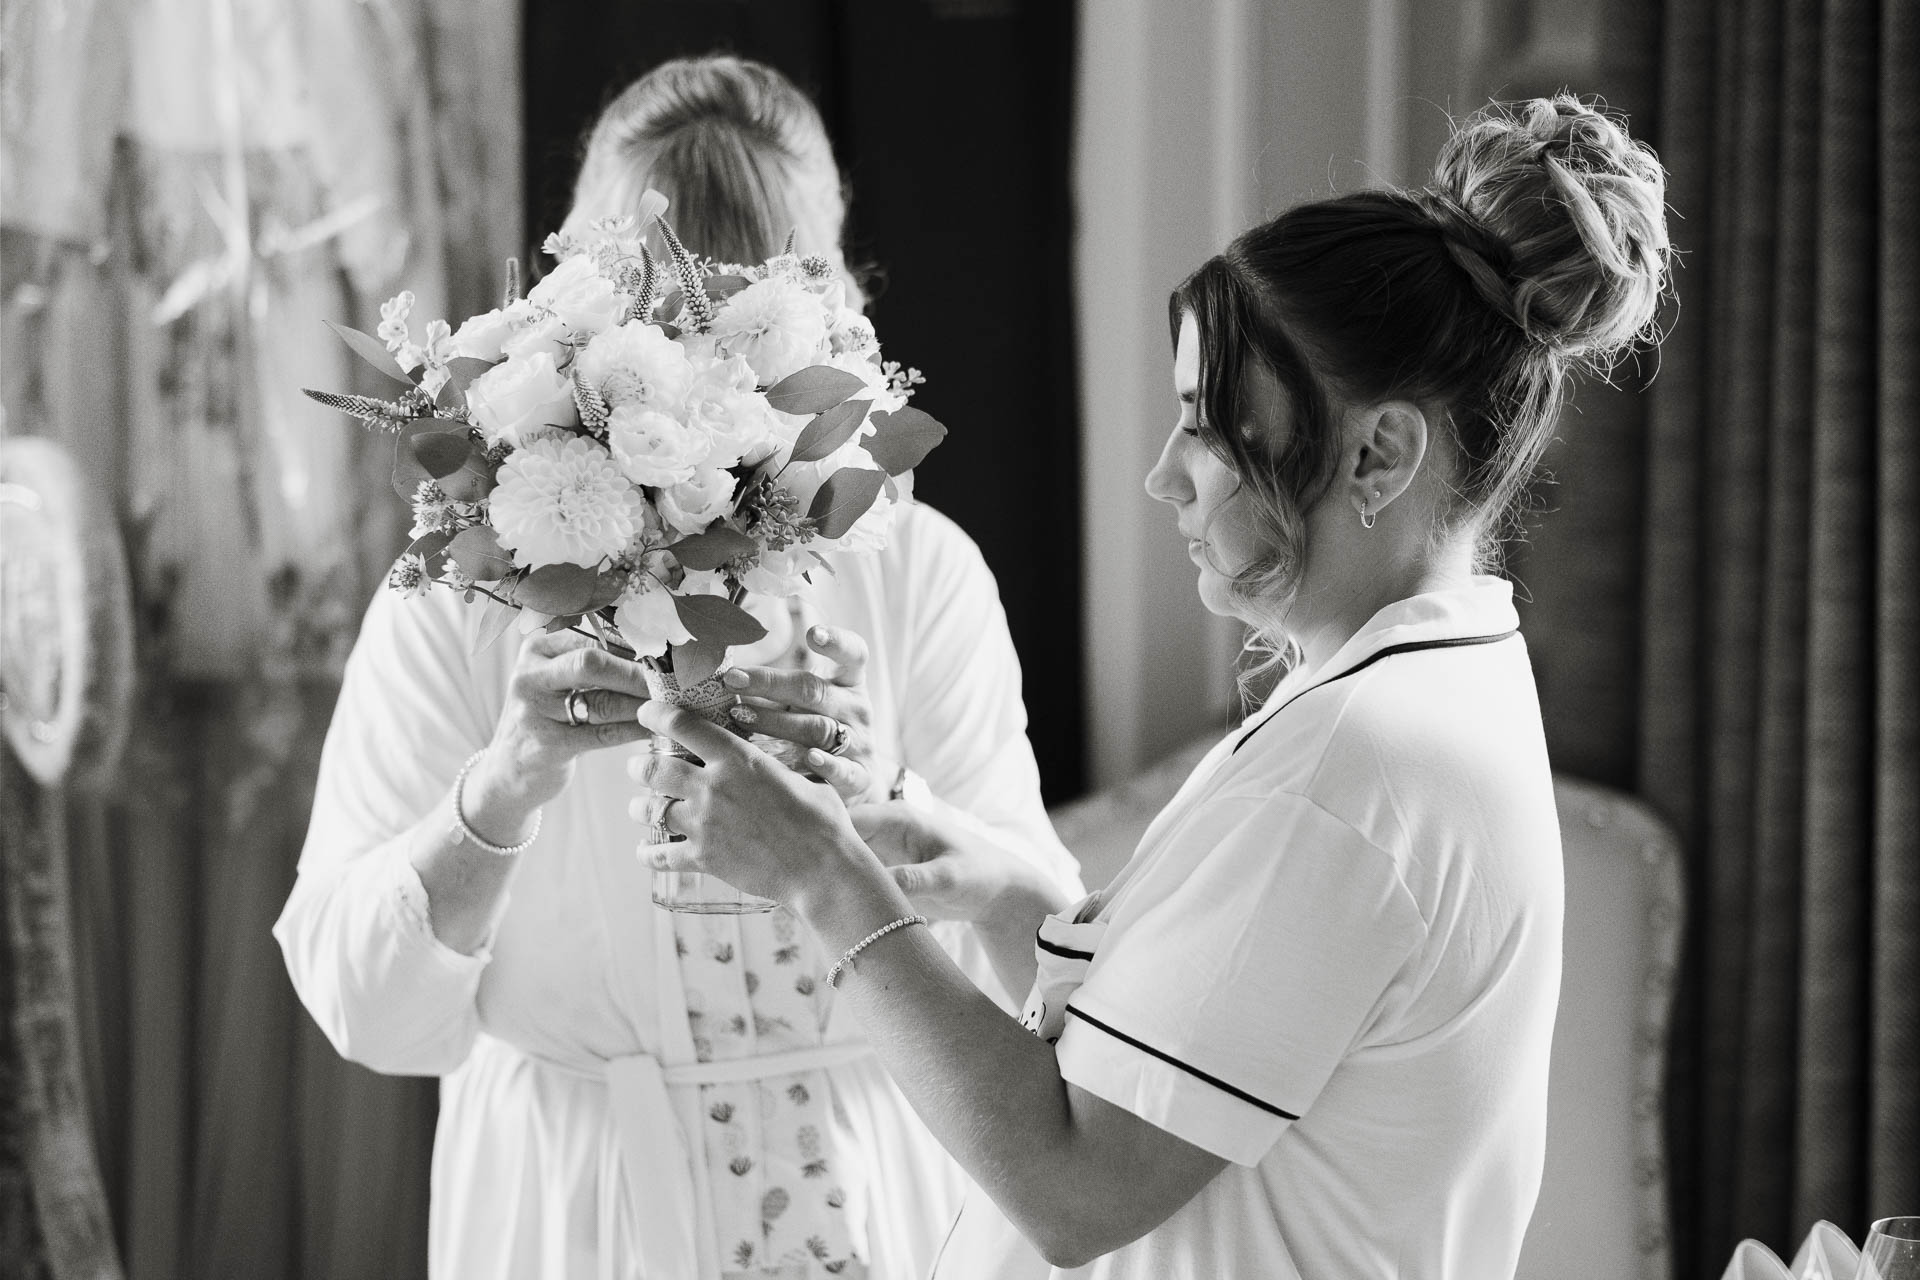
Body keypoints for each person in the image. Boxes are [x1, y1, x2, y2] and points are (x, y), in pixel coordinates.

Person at [633, 93, 1673, 1279]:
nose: (1162, 476)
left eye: (1207, 422)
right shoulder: (1413, 698)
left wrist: (823, 878)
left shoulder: (1346, 775)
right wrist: (1011, 893)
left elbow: (1074, 1187)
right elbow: (1216, 1061)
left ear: (1378, 452)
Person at [275, 54, 1078, 1280]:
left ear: (818, 304)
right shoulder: (464, 592)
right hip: (577, 1208)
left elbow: (1048, 969)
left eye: (749, 287)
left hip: (881, 1190)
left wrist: (883, 810)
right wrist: (504, 787)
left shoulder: (915, 567)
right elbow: (365, 1007)